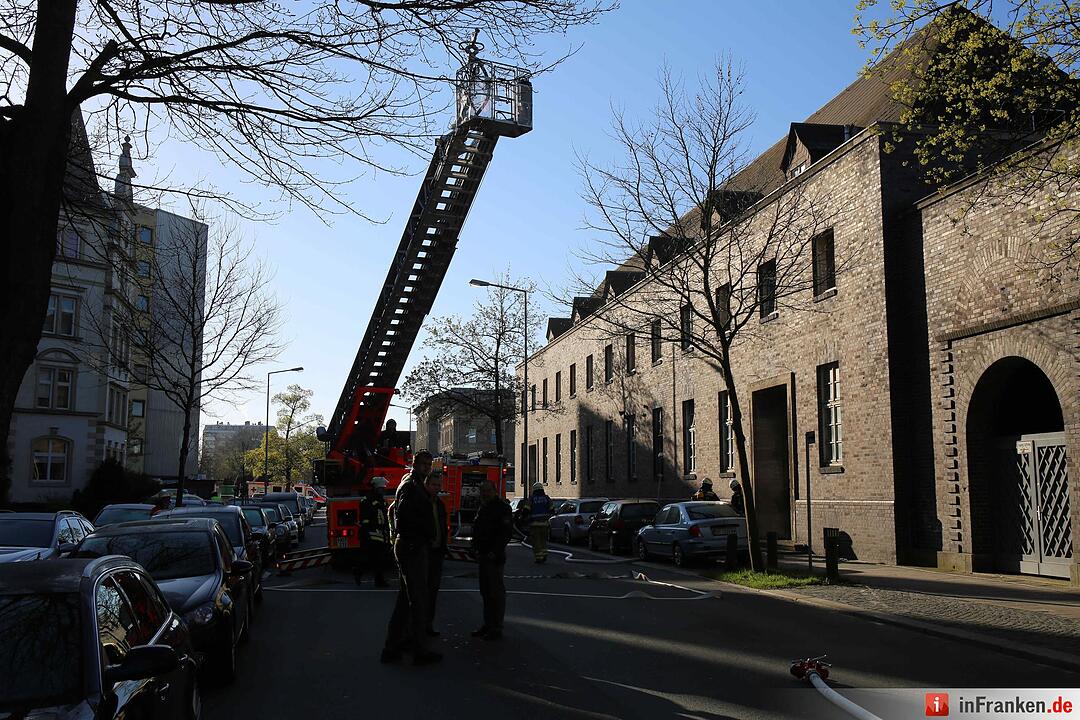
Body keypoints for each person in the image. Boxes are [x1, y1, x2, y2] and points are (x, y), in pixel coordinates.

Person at [381, 451, 442, 665]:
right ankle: (418, 651)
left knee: (406, 600)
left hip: (411, 545)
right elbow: (405, 516)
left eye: (429, 464)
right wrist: (419, 539)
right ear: (414, 464)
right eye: (423, 464)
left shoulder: (414, 484)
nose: (427, 467)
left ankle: (394, 647)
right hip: (412, 546)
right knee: (418, 600)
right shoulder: (410, 486)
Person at [471, 480, 512, 640]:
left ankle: (496, 627)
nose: (485, 493)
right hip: (482, 555)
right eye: (483, 491)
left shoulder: (502, 508)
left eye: (488, 490)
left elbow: (505, 534)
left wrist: (494, 552)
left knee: (495, 593)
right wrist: (474, 548)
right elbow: (477, 530)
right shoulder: (483, 507)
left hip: (494, 558)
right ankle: (488, 624)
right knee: (486, 592)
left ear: (495, 491)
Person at [355, 476, 390, 587]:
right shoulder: (367, 500)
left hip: (380, 533)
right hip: (370, 533)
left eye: (383, 489)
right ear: (376, 488)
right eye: (381, 488)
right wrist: (366, 532)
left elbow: (384, 517)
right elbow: (365, 518)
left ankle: (377, 580)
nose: (383, 490)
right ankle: (359, 572)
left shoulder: (381, 500)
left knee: (379, 558)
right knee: (372, 558)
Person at [425, 471, 448, 637]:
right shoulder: (421, 502)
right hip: (423, 553)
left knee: (432, 593)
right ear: (426, 485)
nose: (437, 488)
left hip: (437, 553)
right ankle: (417, 628)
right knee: (421, 593)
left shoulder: (439, 504)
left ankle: (428, 625)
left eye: (439, 485)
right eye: (434, 485)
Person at [521, 482, 553, 563]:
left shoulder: (532, 499)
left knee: (536, 542)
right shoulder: (547, 498)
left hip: (534, 524)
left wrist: (523, 518)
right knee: (543, 541)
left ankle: (539, 557)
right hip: (545, 524)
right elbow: (552, 509)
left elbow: (526, 510)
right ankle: (544, 554)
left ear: (534, 490)